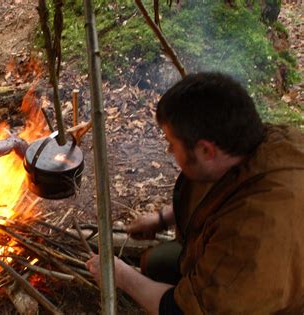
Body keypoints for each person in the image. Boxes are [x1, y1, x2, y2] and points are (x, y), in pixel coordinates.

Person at [86, 72, 304, 314]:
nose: (168, 150)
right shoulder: (264, 144)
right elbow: (221, 190)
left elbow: (183, 311)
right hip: (239, 262)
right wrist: (163, 218)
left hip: (273, 302)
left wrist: (120, 276)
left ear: (206, 150)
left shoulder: (255, 231)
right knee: (155, 263)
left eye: (171, 143)